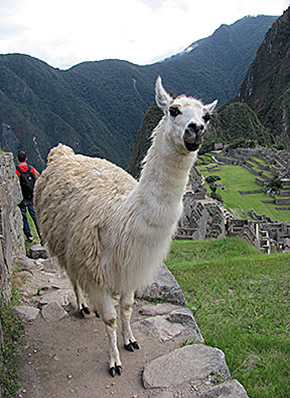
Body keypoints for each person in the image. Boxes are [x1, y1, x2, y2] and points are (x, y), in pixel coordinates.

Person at [16, 150, 42, 244]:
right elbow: (38, 178)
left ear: (17, 159)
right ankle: (41, 234)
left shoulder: (16, 171)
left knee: (24, 217)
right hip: (31, 196)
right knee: (35, 216)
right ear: (26, 159)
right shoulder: (31, 169)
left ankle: (29, 236)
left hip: (22, 198)